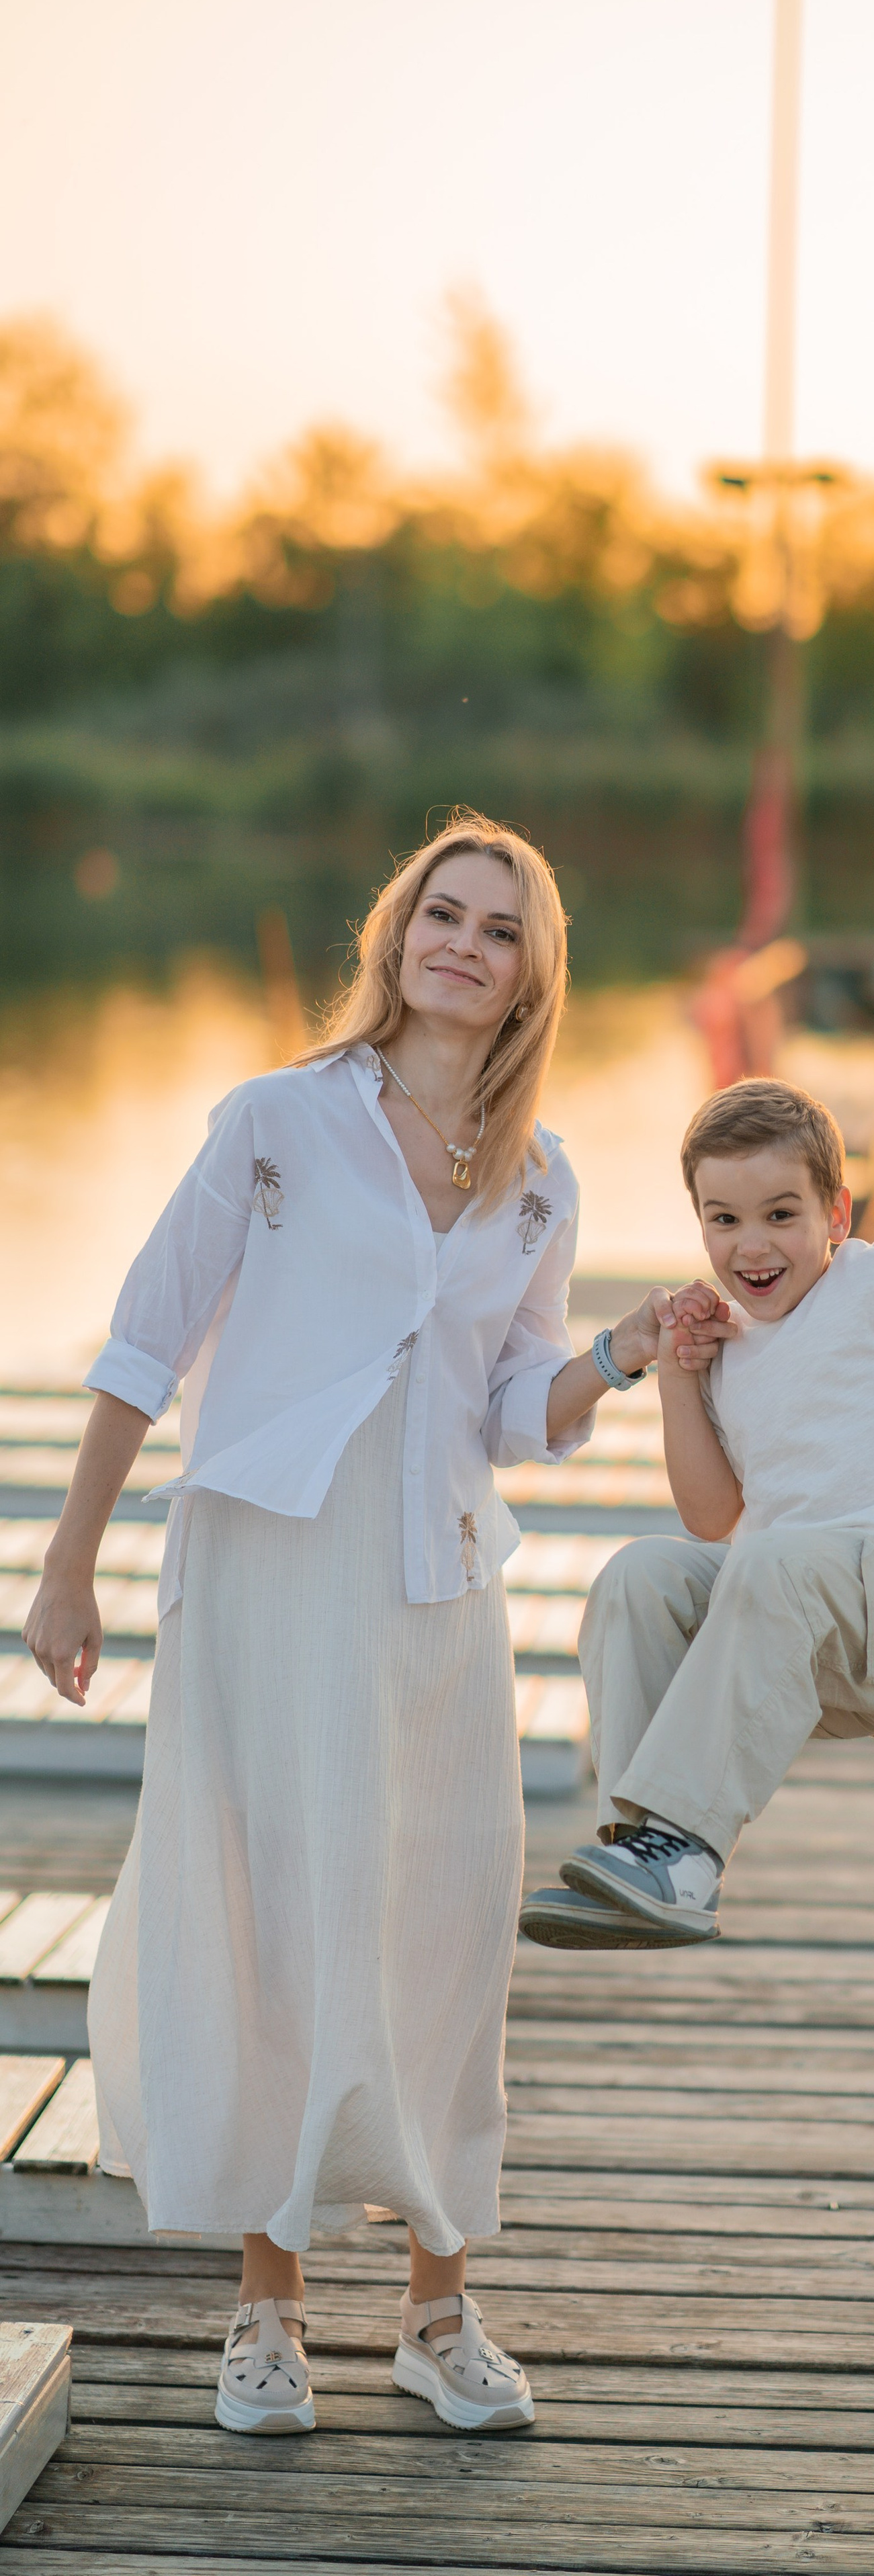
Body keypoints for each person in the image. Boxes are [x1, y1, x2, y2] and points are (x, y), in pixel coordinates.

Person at [22, 813, 679, 2440]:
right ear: (394, 932)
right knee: (283, 1916)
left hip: (435, 1582)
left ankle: (441, 2312)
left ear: (534, 969)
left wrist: (624, 1353)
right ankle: (267, 2311)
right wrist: (67, 1558)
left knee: (445, 1921)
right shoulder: (274, 1122)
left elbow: (515, 1404)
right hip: (267, 1567)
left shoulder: (540, 1176)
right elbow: (142, 1341)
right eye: (439, 912)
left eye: (498, 926)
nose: (463, 941)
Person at [518, 1075, 874, 1950]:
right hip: (804, 1634)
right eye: (724, 1219)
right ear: (698, 1221)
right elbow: (711, 1519)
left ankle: (685, 1845)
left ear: (838, 1215)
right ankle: (647, 1853)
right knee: (642, 1574)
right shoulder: (726, 1343)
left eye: (782, 1214)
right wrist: (676, 1372)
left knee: (775, 1559)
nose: (752, 1244)